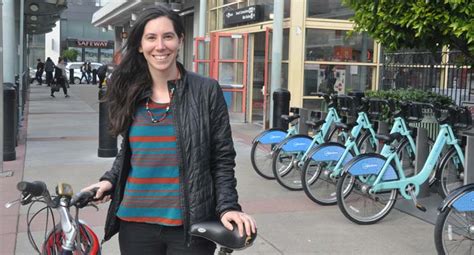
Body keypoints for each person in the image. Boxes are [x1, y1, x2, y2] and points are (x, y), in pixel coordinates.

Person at [81, 5, 256, 254]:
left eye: (168, 36)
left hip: (189, 227)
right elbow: (130, 151)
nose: (160, 46)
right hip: (135, 224)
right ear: (140, 45)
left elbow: (222, 158)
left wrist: (228, 207)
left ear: (180, 41)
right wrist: (110, 180)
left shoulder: (206, 91)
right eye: (151, 37)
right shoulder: (130, 92)